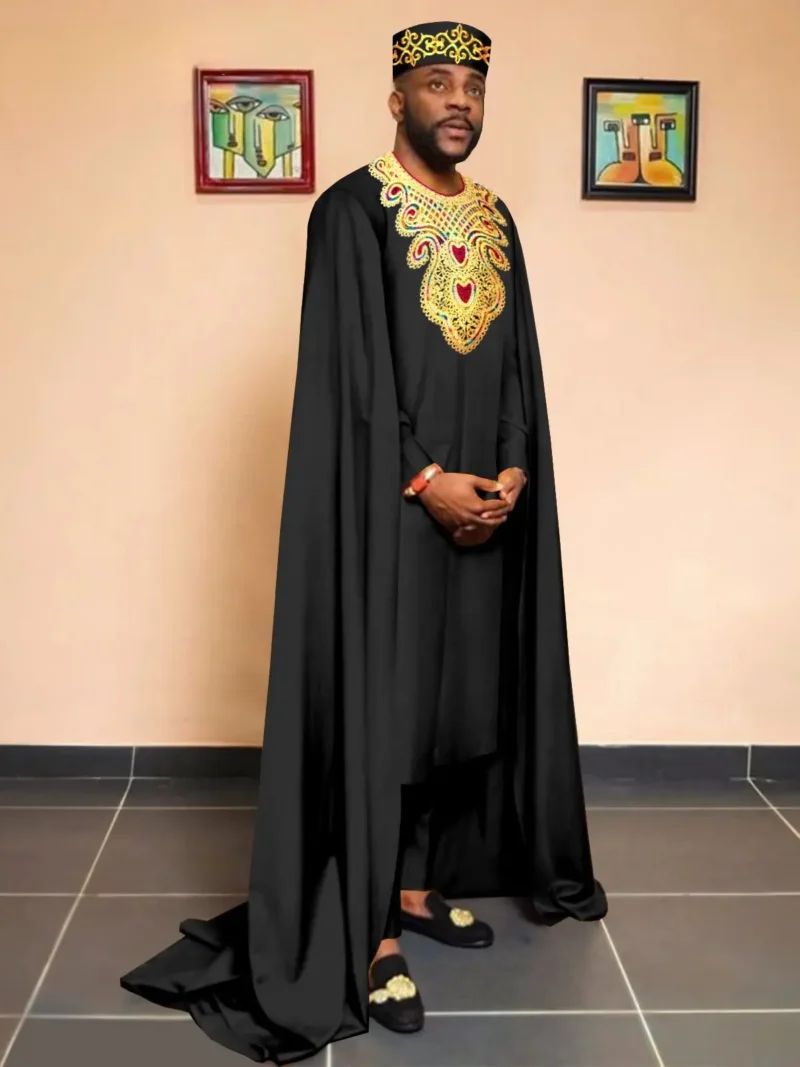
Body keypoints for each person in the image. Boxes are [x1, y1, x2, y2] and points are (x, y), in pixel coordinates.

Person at [121, 19, 607, 1064]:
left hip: (485, 510)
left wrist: (512, 468)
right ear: (396, 98)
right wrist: (427, 481)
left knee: (456, 709)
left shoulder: (495, 218)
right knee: (387, 716)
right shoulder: (350, 211)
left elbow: (515, 364)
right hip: (389, 516)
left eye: (473, 86)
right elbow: (352, 378)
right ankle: (372, 928)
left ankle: (419, 886)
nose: (459, 102)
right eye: (437, 83)